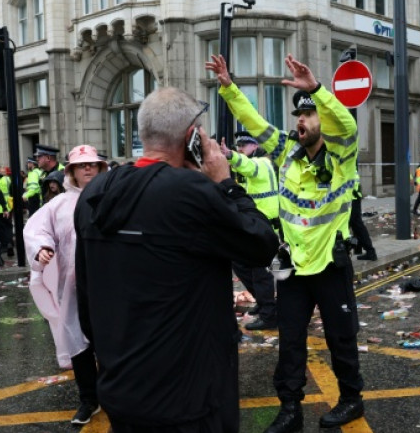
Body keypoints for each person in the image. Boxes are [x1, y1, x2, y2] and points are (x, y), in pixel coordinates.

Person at [74, 87, 277, 432]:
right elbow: (260, 243)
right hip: (189, 397)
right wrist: (225, 183)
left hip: (122, 386)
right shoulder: (190, 193)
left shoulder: (96, 192)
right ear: (191, 137)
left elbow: (86, 297)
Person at [208, 53, 367, 432]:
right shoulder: (285, 152)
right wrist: (229, 87)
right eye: (299, 114)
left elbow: (345, 125)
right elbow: (254, 122)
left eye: (310, 114)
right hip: (294, 265)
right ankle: (290, 409)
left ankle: (350, 400)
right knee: (290, 341)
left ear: (322, 120)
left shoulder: (340, 154)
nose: (302, 119)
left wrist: (316, 90)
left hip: (330, 262)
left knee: (340, 338)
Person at [25, 145, 107, 425]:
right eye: (81, 165)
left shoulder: (114, 198)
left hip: (110, 284)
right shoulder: (58, 205)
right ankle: (89, 399)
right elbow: (37, 229)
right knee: (78, 341)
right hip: (74, 287)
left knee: (111, 341)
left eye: (92, 165)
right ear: (70, 171)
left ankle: (115, 397)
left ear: (100, 168)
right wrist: (42, 248)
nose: (87, 169)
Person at [220, 130, 279, 330]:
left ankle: (270, 315)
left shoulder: (261, 163)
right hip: (253, 224)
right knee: (239, 262)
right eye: (237, 147)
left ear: (255, 146)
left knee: (260, 272)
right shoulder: (250, 166)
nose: (240, 149)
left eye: (243, 146)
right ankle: (264, 303)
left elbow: (248, 166)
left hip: (264, 226)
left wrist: (229, 155)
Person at [348, 170, 378, 261]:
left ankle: (369, 251)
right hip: (353, 196)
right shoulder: (350, 164)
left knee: (356, 225)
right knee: (355, 225)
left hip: (350, 197)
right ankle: (361, 249)